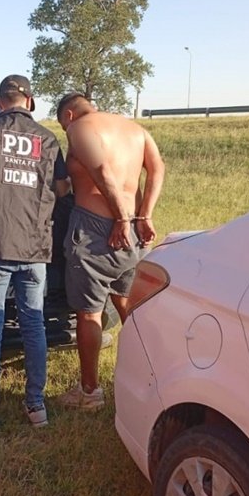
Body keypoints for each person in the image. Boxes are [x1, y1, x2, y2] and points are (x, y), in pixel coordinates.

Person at [0, 75, 70, 434]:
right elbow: (62, 189)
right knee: (33, 323)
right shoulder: (48, 138)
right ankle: (36, 407)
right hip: (34, 246)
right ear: (30, 102)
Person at [55, 92, 165, 411]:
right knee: (128, 304)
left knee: (90, 313)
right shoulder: (135, 129)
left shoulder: (80, 127)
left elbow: (102, 171)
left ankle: (89, 392)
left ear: (69, 115)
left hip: (97, 229)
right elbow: (157, 169)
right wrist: (143, 215)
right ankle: (152, 378)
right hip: (136, 231)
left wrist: (120, 218)